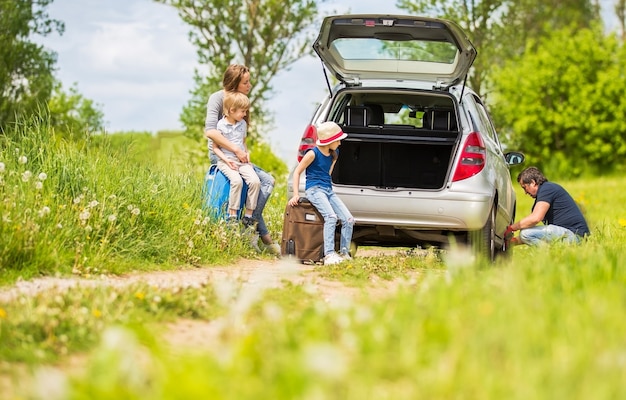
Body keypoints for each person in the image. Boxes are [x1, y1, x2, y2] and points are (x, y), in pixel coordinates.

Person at [204, 64, 280, 254]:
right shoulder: (218, 99)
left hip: (238, 155)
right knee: (260, 181)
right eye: (246, 82)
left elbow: (242, 138)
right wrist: (237, 151)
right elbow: (210, 131)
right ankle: (260, 236)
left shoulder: (242, 103)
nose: (250, 85)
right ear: (234, 83)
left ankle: (250, 225)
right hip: (221, 155)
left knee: (267, 181)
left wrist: (245, 154)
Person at [288, 121, 355, 265]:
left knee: (349, 219)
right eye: (338, 140)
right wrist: (295, 194)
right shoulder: (312, 154)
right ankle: (329, 255)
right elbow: (297, 172)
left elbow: (327, 173)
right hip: (314, 190)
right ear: (329, 140)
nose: (340, 144)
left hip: (328, 190)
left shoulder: (334, 153)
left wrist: (328, 187)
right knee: (331, 217)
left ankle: (344, 252)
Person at [504, 166, 590, 246]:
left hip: (575, 236)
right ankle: (551, 255)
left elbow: (536, 218)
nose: (525, 192)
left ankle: (549, 255)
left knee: (525, 233)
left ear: (533, 182)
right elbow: (534, 235)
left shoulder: (547, 189)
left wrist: (511, 228)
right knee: (525, 233)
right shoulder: (545, 192)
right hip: (569, 234)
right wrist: (511, 242)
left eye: (524, 187)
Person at [213, 91, 260, 227]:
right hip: (226, 162)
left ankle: (248, 217)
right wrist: (227, 161)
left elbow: (243, 142)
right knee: (237, 181)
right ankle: (232, 216)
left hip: (242, 162)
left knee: (255, 181)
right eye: (243, 111)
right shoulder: (220, 126)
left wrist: (247, 154)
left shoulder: (242, 124)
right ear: (232, 110)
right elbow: (215, 148)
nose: (245, 114)